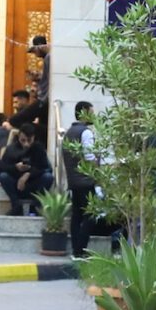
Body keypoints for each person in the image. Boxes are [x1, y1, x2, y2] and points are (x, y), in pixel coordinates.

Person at [63, 101, 101, 253]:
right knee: (90, 215)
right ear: (84, 112)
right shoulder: (85, 132)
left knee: (77, 215)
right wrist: (99, 174)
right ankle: (80, 249)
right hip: (86, 181)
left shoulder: (68, 132)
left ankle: (75, 249)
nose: (94, 115)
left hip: (73, 181)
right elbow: (89, 156)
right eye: (91, 112)